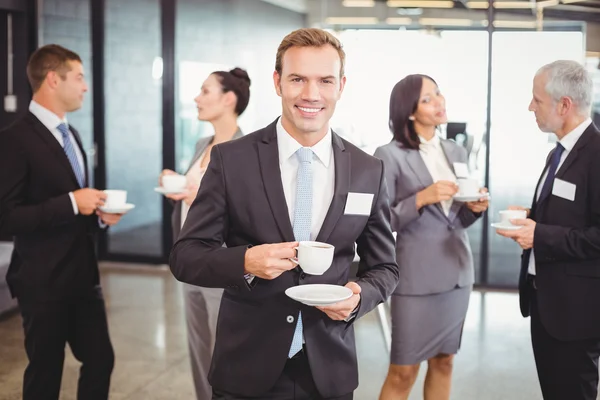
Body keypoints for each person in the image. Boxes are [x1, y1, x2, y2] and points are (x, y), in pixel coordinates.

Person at [169, 28, 399, 400]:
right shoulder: (232, 160)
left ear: (341, 85)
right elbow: (185, 256)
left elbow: (386, 267)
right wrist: (245, 260)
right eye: (298, 79)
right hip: (245, 368)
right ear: (277, 83)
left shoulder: (367, 170)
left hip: (329, 371)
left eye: (325, 80)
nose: (311, 94)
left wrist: (358, 296)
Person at [0, 44, 124, 400]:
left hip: (83, 279)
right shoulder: (13, 139)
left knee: (101, 361)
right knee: (45, 374)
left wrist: (98, 216)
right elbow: (6, 217)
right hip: (42, 283)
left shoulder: (73, 135)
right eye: (80, 77)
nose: (85, 87)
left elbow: (77, 206)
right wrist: (72, 202)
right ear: (53, 79)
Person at [375, 74, 489, 400]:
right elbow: (383, 220)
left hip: (457, 274)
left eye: (438, 94)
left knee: (445, 362)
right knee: (403, 371)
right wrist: (422, 198)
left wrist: (475, 208)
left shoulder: (456, 151)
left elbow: (456, 220)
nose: (439, 102)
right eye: (428, 99)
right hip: (415, 280)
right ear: (409, 111)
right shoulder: (389, 154)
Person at [497, 60, 600, 400]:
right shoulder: (558, 153)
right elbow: (570, 214)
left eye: (537, 100)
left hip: (576, 313)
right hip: (545, 302)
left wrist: (537, 235)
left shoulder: (596, 154)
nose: (531, 107)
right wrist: (528, 217)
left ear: (564, 105)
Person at [159, 67, 250, 400]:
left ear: (229, 99)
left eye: (205, 91)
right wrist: (179, 183)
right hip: (192, 262)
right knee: (199, 350)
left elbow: (250, 210)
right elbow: (195, 194)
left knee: (224, 352)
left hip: (223, 263)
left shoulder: (247, 149)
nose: (197, 98)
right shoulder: (202, 143)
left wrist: (202, 197)